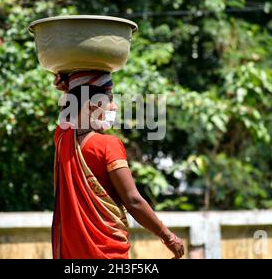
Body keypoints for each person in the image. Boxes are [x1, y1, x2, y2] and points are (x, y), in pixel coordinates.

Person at [52, 71, 184, 259]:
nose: (113, 107)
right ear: (91, 106)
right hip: (107, 251)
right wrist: (168, 236)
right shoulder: (108, 145)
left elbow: (68, 117)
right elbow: (133, 201)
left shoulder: (61, 140)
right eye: (109, 100)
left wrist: (71, 91)